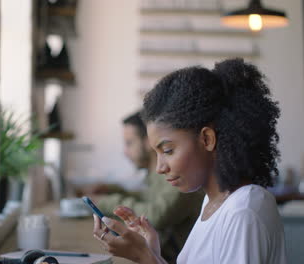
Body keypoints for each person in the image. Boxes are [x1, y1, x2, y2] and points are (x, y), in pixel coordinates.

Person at [92, 58, 287, 263]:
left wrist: (144, 257)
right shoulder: (213, 201)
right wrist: (153, 253)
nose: (159, 167)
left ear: (207, 139)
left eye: (168, 150)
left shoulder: (243, 212)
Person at [91, 112, 204, 263]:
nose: (125, 151)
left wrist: (105, 201)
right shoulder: (157, 174)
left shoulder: (179, 176)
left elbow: (156, 214)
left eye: (129, 143)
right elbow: (148, 198)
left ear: (147, 141)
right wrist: (112, 190)